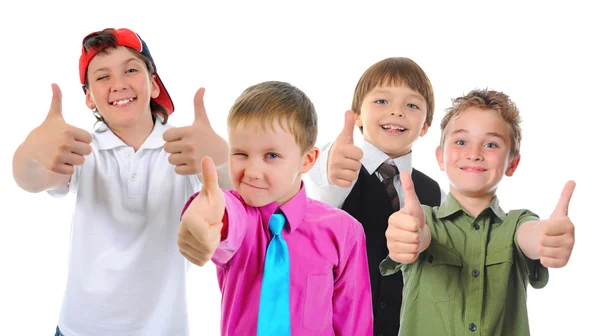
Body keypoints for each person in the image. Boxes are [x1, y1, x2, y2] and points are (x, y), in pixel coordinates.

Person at [11, 28, 230, 336]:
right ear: (88, 97)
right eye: (102, 77)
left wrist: (221, 157)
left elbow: (237, 184)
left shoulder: (185, 146)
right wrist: (31, 152)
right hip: (79, 328)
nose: (118, 84)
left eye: (130, 70)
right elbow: (30, 179)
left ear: (154, 84)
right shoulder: (80, 147)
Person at [178, 81, 373, 335]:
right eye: (240, 154)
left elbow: (353, 322)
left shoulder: (344, 231)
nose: (252, 172)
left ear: (307, 160)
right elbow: (222, 216)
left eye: (271, 155)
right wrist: (204, 214)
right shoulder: (238, 213)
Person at [381, 88, 576, 335]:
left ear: (512, 163)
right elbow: (416, 236)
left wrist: (548, 238)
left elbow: (533, 236)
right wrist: (408, 237)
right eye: (461, 142)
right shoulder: (423, 221)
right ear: (441, 157)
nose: (474, 154)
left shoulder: (518, 224)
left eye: (491, 144)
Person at [307, 57, 444, 335]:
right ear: (357, 115)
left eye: (412, 105)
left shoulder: (435, 193)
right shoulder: (338, 171)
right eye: (382, 101)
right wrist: (332, 161)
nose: (397, 112)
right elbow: (324, 179)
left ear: (426, 126)